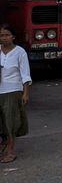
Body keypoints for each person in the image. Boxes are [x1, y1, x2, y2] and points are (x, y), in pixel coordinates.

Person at [0, 24, 31, 163]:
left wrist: (25, 93)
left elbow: (25, 74)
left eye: (7, 35)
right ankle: (4, 143)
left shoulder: (20, 52)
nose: (4, 38)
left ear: (13, 37)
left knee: (10, 121)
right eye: (1, 35)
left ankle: (10, 150)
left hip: (12, 91)